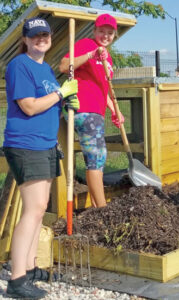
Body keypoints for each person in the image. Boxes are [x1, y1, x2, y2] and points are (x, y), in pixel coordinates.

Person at [3, 17, 79, 298]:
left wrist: (65, 102)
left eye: (44, 35)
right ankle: (17, 279)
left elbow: (48, 104)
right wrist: (61, 92)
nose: (41, 39)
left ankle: (32, 267)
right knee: (33, 210)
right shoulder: (19, 66)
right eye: (35, 36)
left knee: (40, 208)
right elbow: (29, 106)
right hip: (26, 145)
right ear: (25, 40)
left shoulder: (46, 68)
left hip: (46, 145)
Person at [59, 13, 124, 208]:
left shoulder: (108, 57)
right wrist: (90, 54)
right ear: (95, 31)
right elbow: (63, 66)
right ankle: (104, 211)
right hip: (83, 108)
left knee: (99, 157)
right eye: (101, 31)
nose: (105, 35)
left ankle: (97, 207)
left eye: (110, 32)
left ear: (114, 35)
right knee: (96, 158)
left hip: (96, 111)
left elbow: (102, 88)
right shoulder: (86, 45)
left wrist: (114, 110)